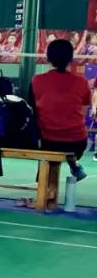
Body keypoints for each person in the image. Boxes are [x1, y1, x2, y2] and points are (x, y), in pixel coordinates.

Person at [30, 39, 91, 181]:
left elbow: (32, 111)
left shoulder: (36, 80)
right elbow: (83, 112)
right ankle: (73, 163)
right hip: (77, 143)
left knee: (48, 152)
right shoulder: (82, 82)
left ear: (48, 58)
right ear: (71, 58)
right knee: (65, 148)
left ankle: (43, 184)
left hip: (48, 142)